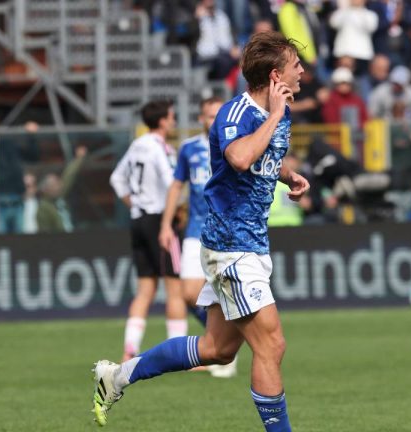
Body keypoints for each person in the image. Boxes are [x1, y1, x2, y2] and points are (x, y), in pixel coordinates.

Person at [93, 31, 310, 431]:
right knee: (271, 345)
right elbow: (240, 157)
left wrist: (288, 175)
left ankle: (117, 376)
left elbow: (262, 156)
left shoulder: (279, 113)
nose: (303, 71)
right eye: (296, 65)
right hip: (231, 246)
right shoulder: (236, 114)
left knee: (217, 349)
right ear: (276, 76)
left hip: (251, 244)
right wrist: (275, 115)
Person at [157, 96, 237, 378]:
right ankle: (222, 341)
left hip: (226, 230)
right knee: (190, 293)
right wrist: (166, 225)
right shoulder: (189, 148)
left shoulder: (235, 146)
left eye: (217, 115)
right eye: (208, 115)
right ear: (201, 119)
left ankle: (224, 349)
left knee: (225, 292)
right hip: (195, 230)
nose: (213, 120)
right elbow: (176, 186)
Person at [109, 100, 186, 362]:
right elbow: (172, 182)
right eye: (172, 117)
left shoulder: (137, 145)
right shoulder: (160, 148)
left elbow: (116, 179)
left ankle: (129, 350)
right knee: (175, 288)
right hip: (160, 219)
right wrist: (178, 209)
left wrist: (135, 204)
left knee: (145, 290)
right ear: (163, 121)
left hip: (138, 218)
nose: (174, 121)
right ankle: (180, 355)